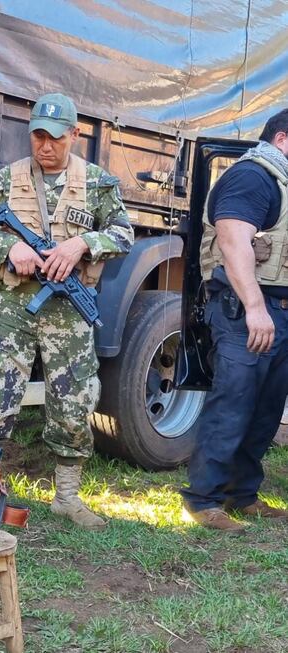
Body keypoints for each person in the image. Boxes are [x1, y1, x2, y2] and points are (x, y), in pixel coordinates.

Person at [0, 93, 133, 530]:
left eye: (56, 137)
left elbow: (123, 234)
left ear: (74, 134)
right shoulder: (8, 179)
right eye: (39, 136)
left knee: (74, 403)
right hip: (14, 305)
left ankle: (67, 498)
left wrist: (82, 244)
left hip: (69, 312)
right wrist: (10, 247)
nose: (46, 145)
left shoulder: (97, 183)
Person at [181, 109, 288, 531]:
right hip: (246, 311)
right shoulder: (253, 177)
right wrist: (256, 307)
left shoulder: (280, 182)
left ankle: (240, 494)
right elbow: (232, 240)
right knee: (233, 404)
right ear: (282, 139)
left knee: (265, 409)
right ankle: (203, 501)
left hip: (276, 313)